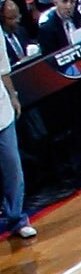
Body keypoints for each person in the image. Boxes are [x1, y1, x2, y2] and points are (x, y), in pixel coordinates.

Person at [0, 53, 36, 245]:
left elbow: (3, 67)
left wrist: (13, 95)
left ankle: (17, 220)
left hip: (1, 113)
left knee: (13, 169)